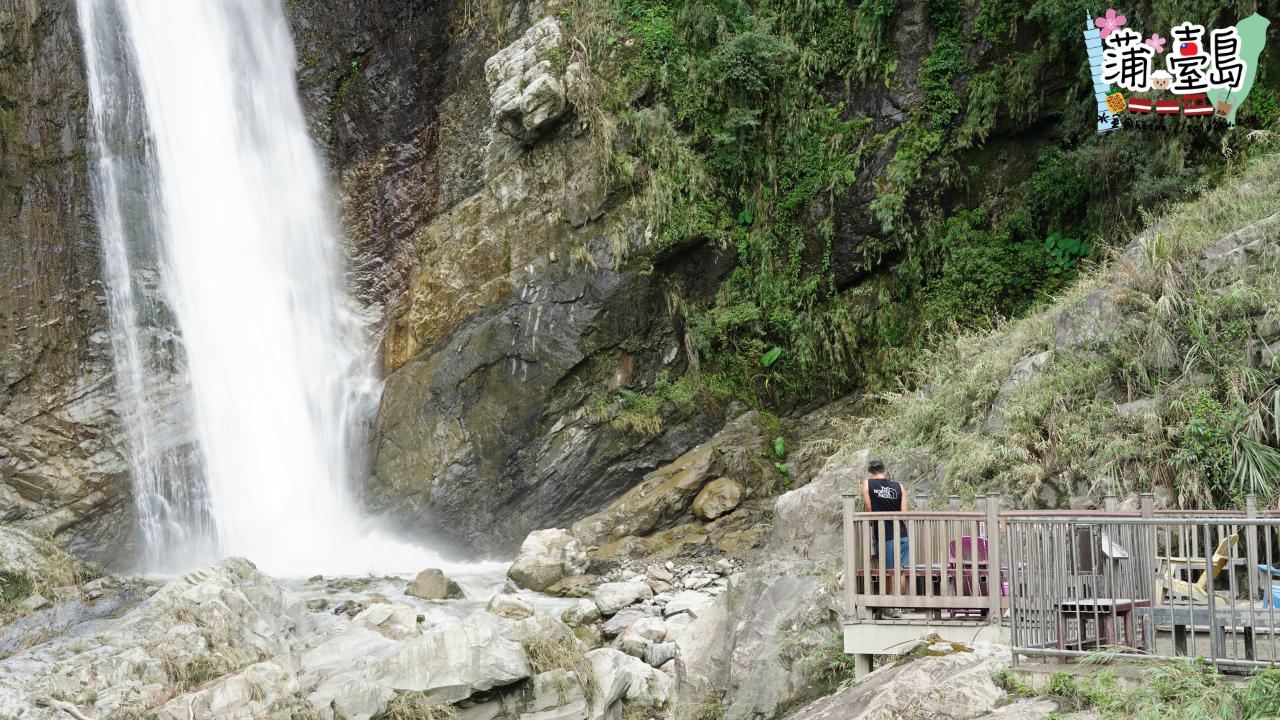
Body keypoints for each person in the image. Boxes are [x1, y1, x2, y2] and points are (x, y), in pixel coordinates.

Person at [863, 458, 908, 618]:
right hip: (902, 534)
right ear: (885, 471)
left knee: (889, 572)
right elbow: (904, 513)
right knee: (900, 571)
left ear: (870, 473)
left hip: (885, 535)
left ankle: (891, 606)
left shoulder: (867, 484)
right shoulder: (899, 487)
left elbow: (869, 509)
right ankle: (900, 606)